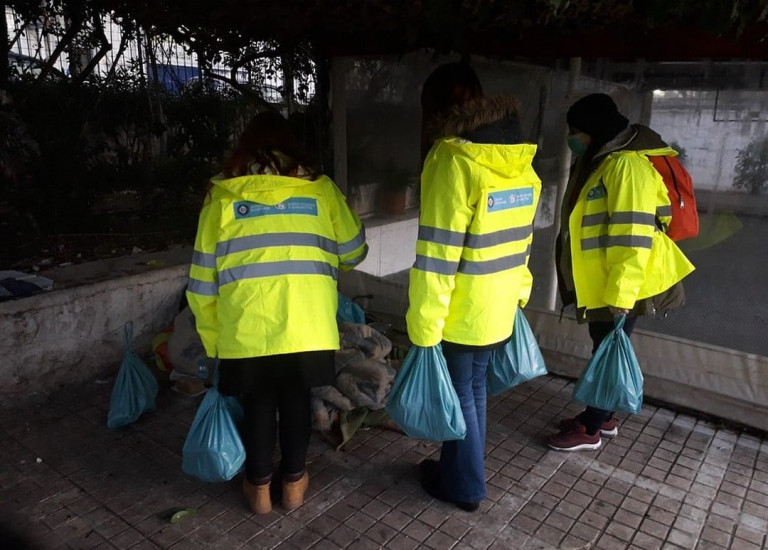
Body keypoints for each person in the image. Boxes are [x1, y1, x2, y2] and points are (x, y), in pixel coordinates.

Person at [186, 111, 368, 514]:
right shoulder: (322, 192)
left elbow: (201, 285)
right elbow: (355, 252)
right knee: (297, 400)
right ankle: (294, 484)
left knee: (258, 403)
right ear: (292, 148)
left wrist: (214, 343)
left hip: (246, 331)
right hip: (308, 329)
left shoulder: (221, 199)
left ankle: (259, 488)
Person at [407, 62, 541, 511]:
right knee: (474, 388)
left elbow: (437, 254)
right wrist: (520, 293)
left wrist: (424, 325)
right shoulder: (517, 157)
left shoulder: (452, 158)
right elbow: (524, 240)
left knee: (464, 389)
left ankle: (463, 485)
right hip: (500, 303)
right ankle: (458, 471)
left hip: (463, 310)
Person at [549, 93, 695, 452]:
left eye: (575, 131)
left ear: (594, 130)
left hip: (627, 283)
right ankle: (601, 416)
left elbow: (632, 238)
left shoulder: (625, 167)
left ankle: (592, 429)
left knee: (608, 352)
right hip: (611, 279)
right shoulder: (604, 160)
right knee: (606, 347)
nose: (572, 137)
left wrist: (620, 296)